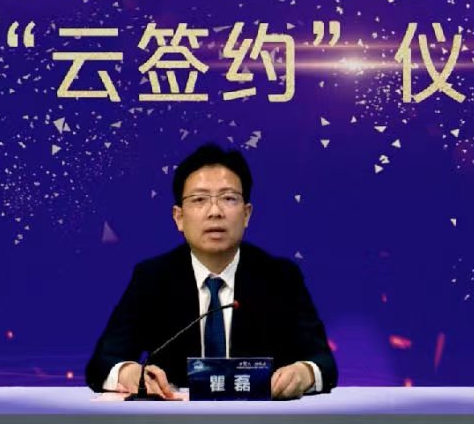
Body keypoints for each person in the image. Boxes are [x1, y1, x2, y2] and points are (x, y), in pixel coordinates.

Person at [86, 144, 337, 399]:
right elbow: (102, 362)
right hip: (175, 419)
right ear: (179, 217)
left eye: (228, 199)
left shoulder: (280, 277)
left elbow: (323, 363)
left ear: (246, 214)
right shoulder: (152, 278)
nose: (215, 212)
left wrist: (304, 373)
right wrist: (128, 373)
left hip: (258, 418)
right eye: (199, 200)